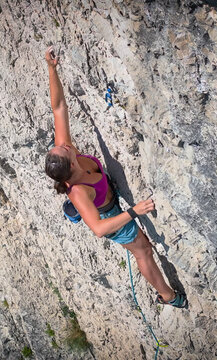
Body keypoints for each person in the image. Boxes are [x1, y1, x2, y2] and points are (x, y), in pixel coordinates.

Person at [43, 46, 187, 308]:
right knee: (143, 249)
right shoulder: (78, 192)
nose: (64, 144)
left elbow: (59, 107)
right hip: (109, 216)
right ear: (69, 166)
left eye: (60, 145)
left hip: (111, 194)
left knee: (143, 246)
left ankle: (167, 294)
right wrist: (134, 211)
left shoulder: (68, 152)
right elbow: (98, 229)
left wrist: (52, 69)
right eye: (62, 149)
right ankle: (169, 297)